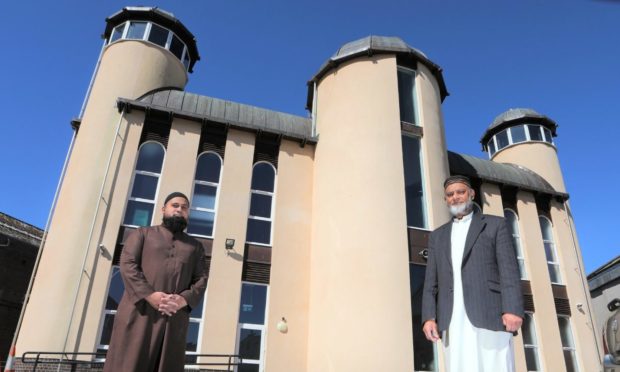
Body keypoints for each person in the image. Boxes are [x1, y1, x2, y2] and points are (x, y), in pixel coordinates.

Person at [421, 175, 523, 372]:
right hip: (451, 319)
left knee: (496, 366)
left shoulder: (495, 224)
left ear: (472, 194)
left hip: (490, 314)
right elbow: (430, 282)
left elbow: (509, 270)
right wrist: (428, 317)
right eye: (450, 194)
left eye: (460, 192)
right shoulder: (437, 236)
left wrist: (513, 309)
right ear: (445, 199)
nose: (455, 197)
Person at [104, 192, 208, 372]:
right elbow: (128, 264)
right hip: (138, 313)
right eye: (174, 205)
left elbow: (201, 279)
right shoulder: (142, 234)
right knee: (128, 364)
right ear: (163, 209)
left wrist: (182, 300)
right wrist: (150, 295)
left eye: (184, 208)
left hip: (173, 317)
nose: (179, 210)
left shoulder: (195, 247)